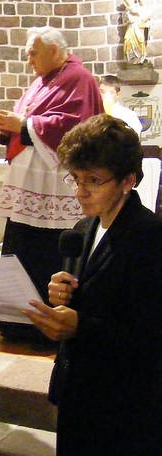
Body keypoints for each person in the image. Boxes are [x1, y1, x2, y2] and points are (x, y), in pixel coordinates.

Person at [23, 114, 162, 455]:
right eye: (76, 178)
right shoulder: (84, 228)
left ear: (128, 180)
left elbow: (151, 337)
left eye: (94, 181)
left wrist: (80, 325)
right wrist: (61, 295)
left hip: (124, 403)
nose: (80, 191)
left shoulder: (150, 237)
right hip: (77, 388)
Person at [0, 26, 103, 342]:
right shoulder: (42, 82)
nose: (29, 61)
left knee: (45, 254)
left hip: (54, 187)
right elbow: (29, 118)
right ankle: (15, 322)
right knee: (22, 248)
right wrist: (11, 125)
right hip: (32, 183)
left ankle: (45, 329)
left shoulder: (78, 78)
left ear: (54, 50)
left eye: (32, 53)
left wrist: (23, 125)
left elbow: (74, 125)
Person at [122, 0, 152, 65]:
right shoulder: (133, 7)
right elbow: (125, 20)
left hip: (139, 30)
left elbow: (145, 18)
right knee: (128, 41)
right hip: (131, 28)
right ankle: (131, 59)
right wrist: (128, 17)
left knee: (139, 42)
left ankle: (139, 58)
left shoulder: (145, 9)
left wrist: (135, 13)